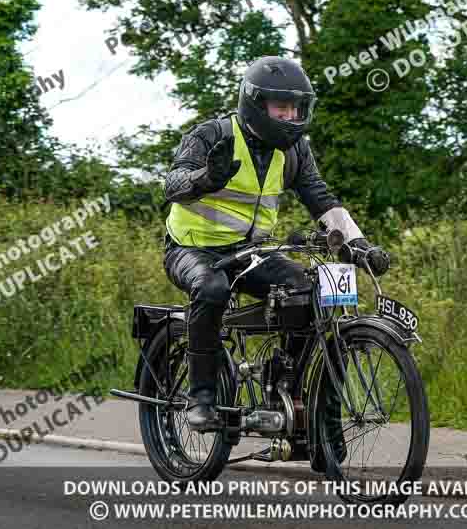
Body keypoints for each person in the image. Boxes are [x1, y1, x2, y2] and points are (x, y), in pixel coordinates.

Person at [161, 56, 390, 471]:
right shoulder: (212, 134)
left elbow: (321, 198)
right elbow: (172, 185)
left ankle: (300, 403)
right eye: (280, 108)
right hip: (192, 249)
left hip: (250, 253)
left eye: (296, 108)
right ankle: (201, 397)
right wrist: (203, 180)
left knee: (312, 292)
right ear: (255, 103)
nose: (290, 116)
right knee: (210, 289)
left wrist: (359, 245)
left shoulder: (295, 150)